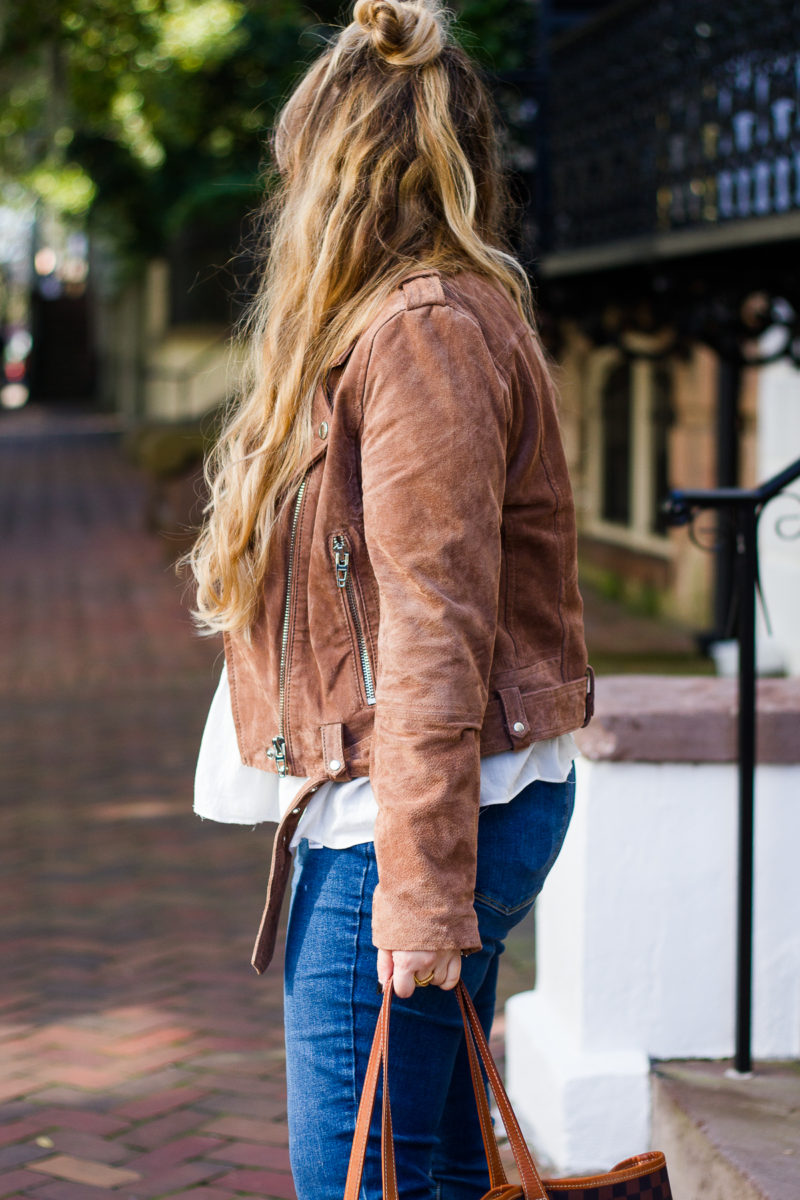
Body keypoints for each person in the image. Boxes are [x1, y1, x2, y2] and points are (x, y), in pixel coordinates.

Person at [187, 2, 592, 1198]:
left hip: (400, 832)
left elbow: (433, 629)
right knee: (427, 1165)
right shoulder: (395, 326)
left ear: (335, 169)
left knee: (363, 1177)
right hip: (401, 813)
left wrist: (418, 895)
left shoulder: (419, 333)